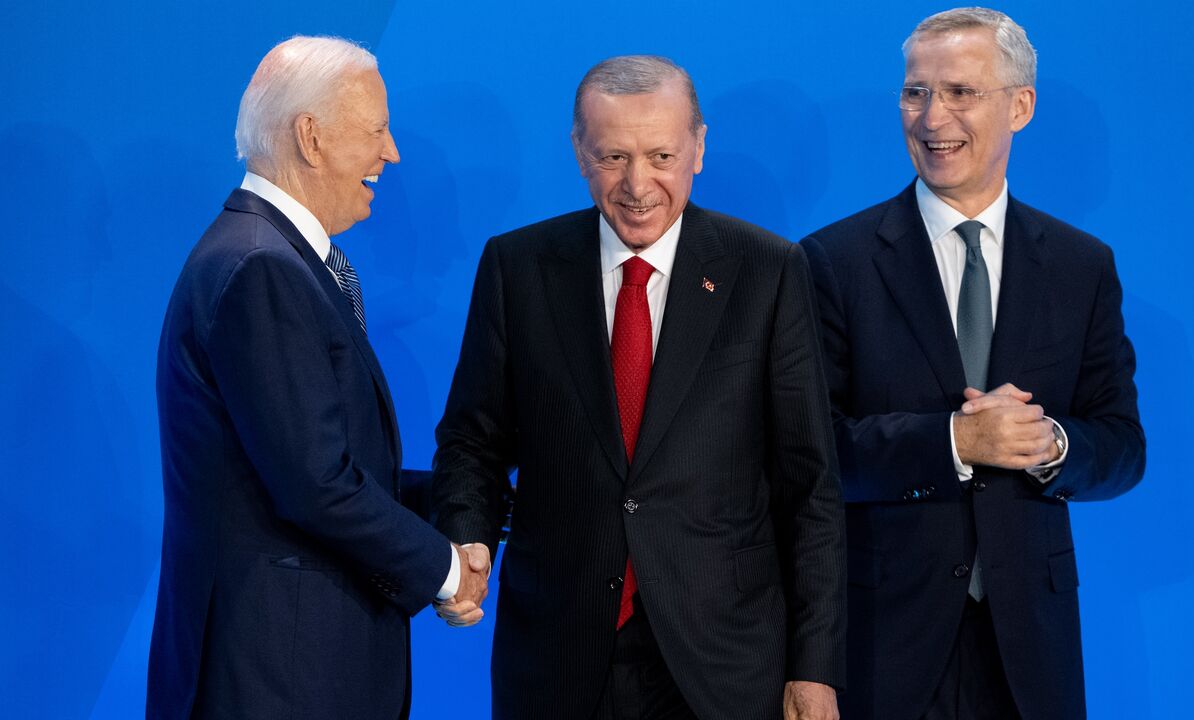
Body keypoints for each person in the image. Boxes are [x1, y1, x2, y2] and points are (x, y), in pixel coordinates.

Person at [431, 55, 846, 720]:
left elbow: (811, 487)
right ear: (579, 151)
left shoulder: (767, 271)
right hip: (558, 656)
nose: (637, 184)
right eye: (613, 156)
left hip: (726, 664)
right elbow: (472, 442)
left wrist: (815, 668)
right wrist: (469, 538)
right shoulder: (518, 267)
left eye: (660, 155)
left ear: (698, 149)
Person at [799, 8, 1146, 719]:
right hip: (882, 643)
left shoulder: (1082, 266)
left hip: (1031, 652)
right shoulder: (833, 261)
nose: (931, 117)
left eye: (959, 91)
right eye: (914, 92)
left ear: (1019, 106)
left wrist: (1051, 445)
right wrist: (953, 443)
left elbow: (1122, 448)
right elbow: (808, 453)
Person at [147, 36, 487, 719]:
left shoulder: (276, 257)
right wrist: (446, 571)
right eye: (376, 131)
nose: (390, 153)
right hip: (276, 677)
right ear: (310, 136)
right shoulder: (260, 267)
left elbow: (321, 463)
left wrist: (478, 508)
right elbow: (313, 485)